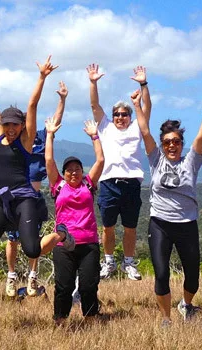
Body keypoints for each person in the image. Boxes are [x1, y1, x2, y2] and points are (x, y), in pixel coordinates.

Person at [0, 54, 55, 288]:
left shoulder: (26, 140)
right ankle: (6, 223)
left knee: (32, 248)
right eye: (7, 124)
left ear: (21, 125)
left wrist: (42, 77)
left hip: (24, 198)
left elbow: (32, 105)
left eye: (15, 124)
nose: (11, 128)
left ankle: (55, 237)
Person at [138, 84, 202, 326]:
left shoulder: (191, 162)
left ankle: (187, 305)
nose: (171, 145)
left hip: (187, 224)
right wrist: (136, 102)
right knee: (161, 274)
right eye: (167, 142)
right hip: (160, 223)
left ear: (181, 144)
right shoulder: (155, 160)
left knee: (192, 275)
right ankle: (166, 318)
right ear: (162, 145)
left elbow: (201, 136)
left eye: (176, 142)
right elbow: (144, 131)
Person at [0, 80, 66, 297]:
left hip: (33, 198)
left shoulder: (39, 139)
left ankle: (32, 276)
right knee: (12, 239)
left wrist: (62, 100)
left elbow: (55, 122)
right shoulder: (11, 142)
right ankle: (10, 276)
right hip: (14, 197)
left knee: (32, 240)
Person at [88, 63, 146, 280]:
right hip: (109, 183)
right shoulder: (105, 127)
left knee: (130, 227)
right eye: (116, 114)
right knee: (108, 227)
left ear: (130, 116)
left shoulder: (136, 128)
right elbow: (94, 105)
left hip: (131, 183)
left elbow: (146, 109)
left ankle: (128, 263)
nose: (120, 117)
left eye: (124, 114)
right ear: (112, 116)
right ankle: (109, 261)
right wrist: (93, 82)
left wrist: (143, 85)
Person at [45, 116, 104, 325]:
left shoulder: (88, 184)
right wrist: (50, 135)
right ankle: (60, 321)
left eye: (77, 169)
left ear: (82, 171)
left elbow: (101, 161)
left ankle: (91, 319)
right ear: (63, 173)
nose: (73, 172)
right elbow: (49, 161)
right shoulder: (58, 186)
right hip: (64, 244)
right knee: (64, 285)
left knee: (89, 285)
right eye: (69, 169)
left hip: (88, 243)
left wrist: (94, 136)